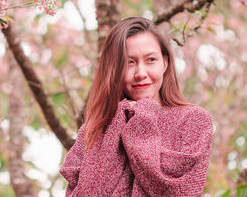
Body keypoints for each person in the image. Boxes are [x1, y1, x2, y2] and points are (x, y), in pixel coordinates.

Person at [59, 17, 213, 196]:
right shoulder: (94, 129)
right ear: (114, 69)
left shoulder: (193, 119)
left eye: (150, 60)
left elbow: (179, 191)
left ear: (165, 62)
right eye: (129, 62)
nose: (140, 73)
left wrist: (143, 117)